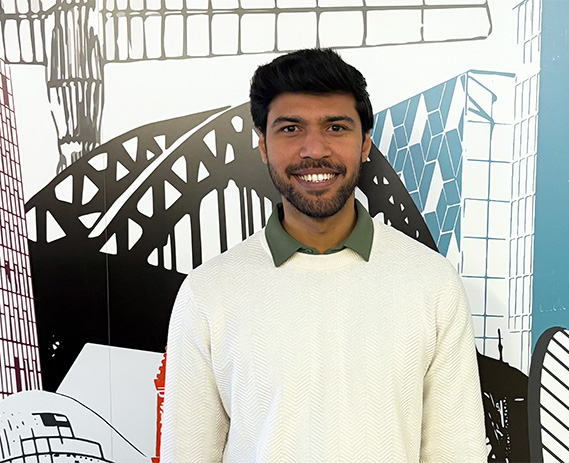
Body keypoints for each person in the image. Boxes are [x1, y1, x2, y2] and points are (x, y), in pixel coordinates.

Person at [160, 48, 486, 462]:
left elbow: (457, 451)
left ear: (365, 143)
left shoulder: (432, 282)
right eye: (291, 128)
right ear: (262, 145)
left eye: (335, 127)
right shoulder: (208, 292)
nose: (314, 149)